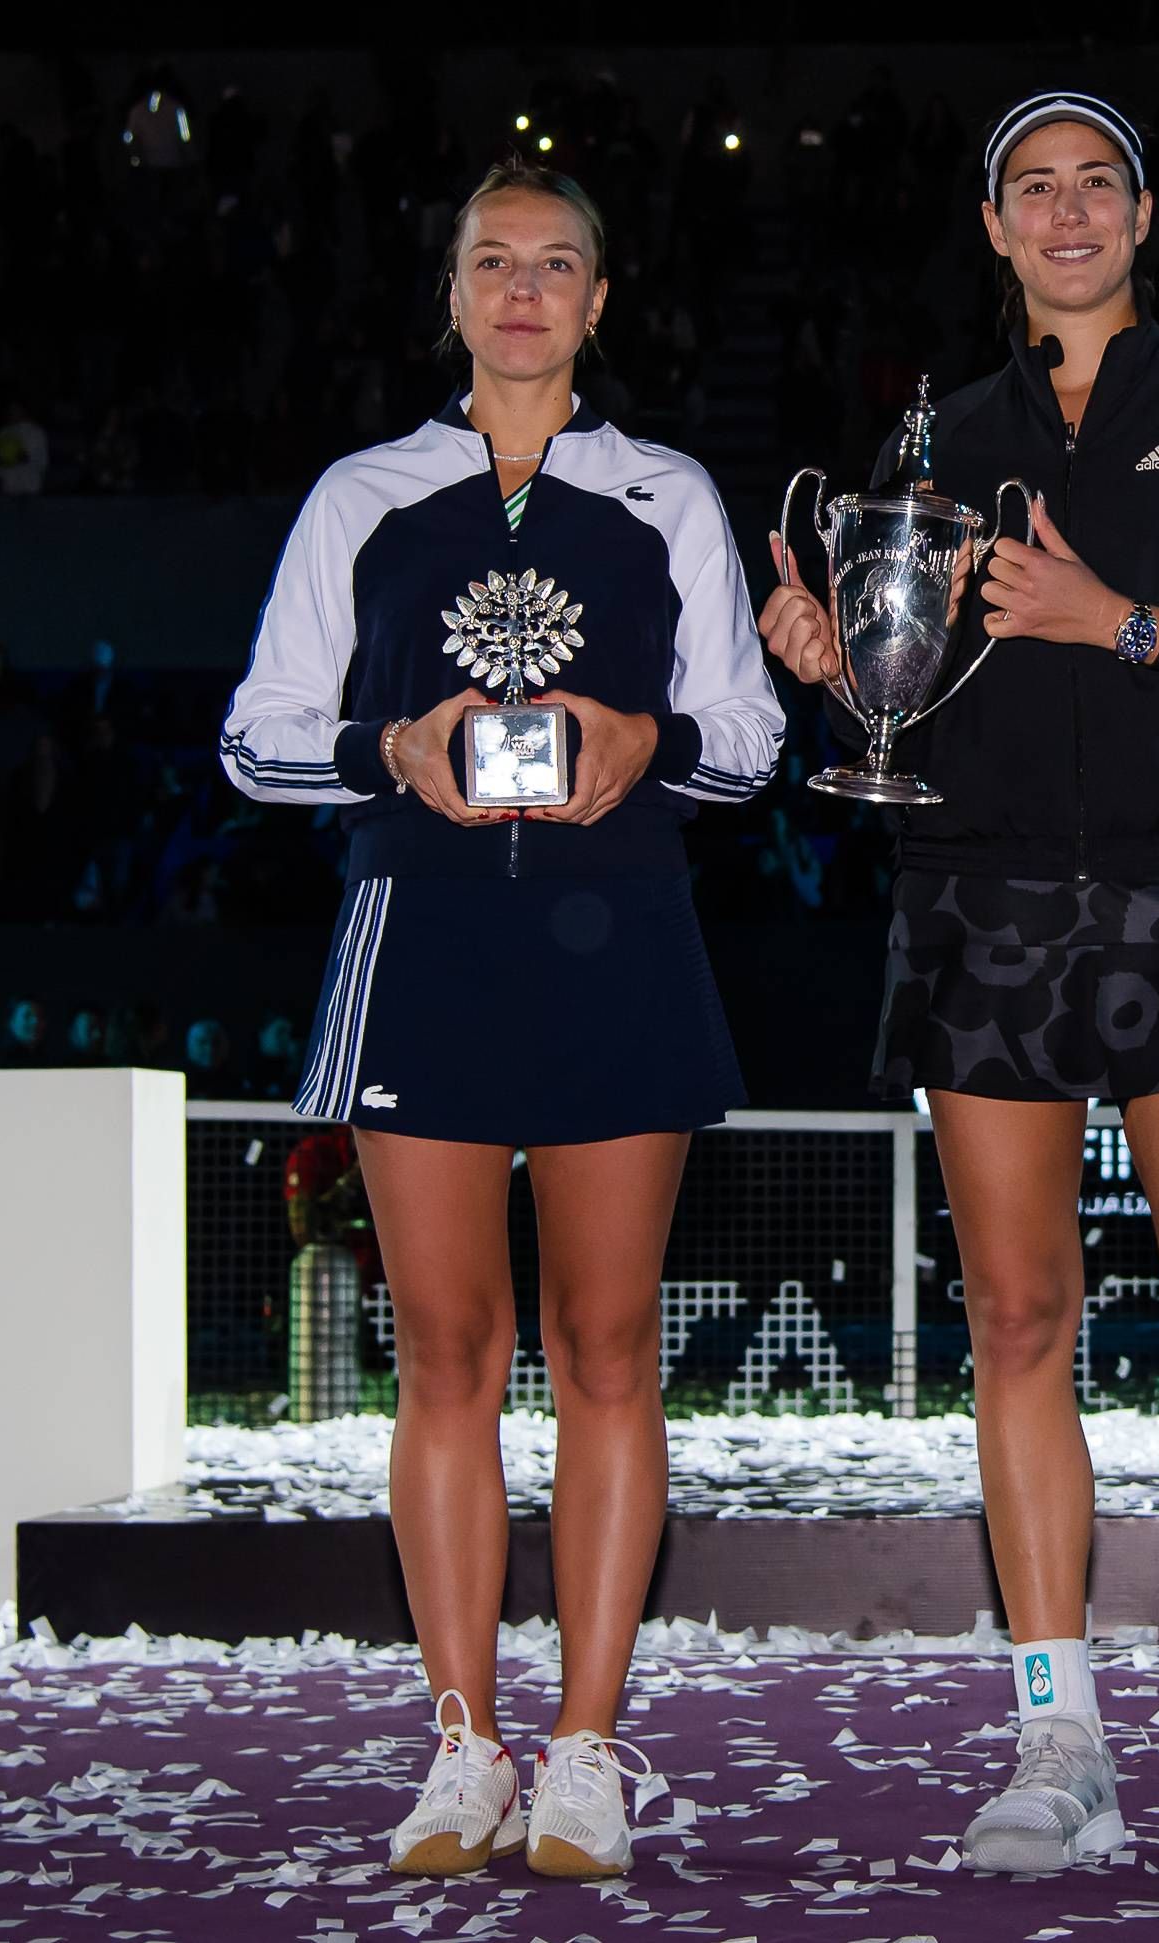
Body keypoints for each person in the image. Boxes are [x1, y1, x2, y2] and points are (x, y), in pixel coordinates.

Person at [755, 91, 1159, 1902]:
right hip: (983, 892)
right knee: (1018, 1319)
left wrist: (1123, 620)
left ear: (1147, 213)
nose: (1068, 209)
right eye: (1034, 187)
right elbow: (921, 694)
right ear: (993, 226)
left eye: (1097, 181)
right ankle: (1059, 1739)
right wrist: (832, 667)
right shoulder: (940, 434)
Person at [219, 160, 782, 1881]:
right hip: (424, 936)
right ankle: (463, 1741)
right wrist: (388, 747)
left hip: (622, 940)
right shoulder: (364, 494)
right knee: (448, 1356)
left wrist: (646, 741)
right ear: (452, 295)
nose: (523, 289)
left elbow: (751, 735)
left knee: (607, 1348)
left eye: (555, 264)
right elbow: (256, 733)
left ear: (599, 302)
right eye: (491, 261)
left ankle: (588, 1745)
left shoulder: (667, 493)